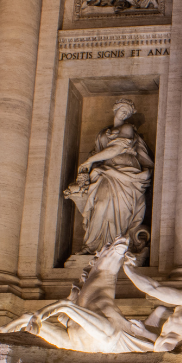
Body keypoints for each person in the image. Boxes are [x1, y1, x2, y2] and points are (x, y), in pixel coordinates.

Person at [65, 99, 153, 254]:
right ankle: (92, 246)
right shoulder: (102, 134)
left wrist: (90, 161)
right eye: (122, 110)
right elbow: (98, 153)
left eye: (128, 112)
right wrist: (92, 164)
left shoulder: (127, 128)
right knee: (100, 206)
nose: (124, 114)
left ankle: (117, 248)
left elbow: (117, 148)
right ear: (115, 109)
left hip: (126, 175)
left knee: (121, 211)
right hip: (106, 173)